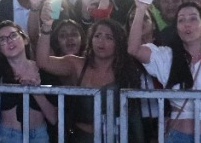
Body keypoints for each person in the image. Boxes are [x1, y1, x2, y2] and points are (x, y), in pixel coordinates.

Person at [128, 0, 201, 143]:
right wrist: (141, 8)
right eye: (181, 20)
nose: (187, 24)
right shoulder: (166, 57)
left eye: (193, 19)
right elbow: (134, 49)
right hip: (177, 137)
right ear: (176, 28)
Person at [37, 7, 141, 142]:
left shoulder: (125, 70)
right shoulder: (76, 64)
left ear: (118, 43)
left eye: (108, 37)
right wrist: (46, 26)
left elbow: (134, 115)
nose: (101, 41)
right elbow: (43, 61)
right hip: (81, 137)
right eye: (97, 36)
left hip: (116, 138)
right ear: (90, 39)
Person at [0, 10, 57, 143]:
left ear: (25, 39)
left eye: (13, 35)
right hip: (7, 135)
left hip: (38, 136)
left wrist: (35, 91)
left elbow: (54, 117)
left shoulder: (42, 68)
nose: (9, 41)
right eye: (2, 39)